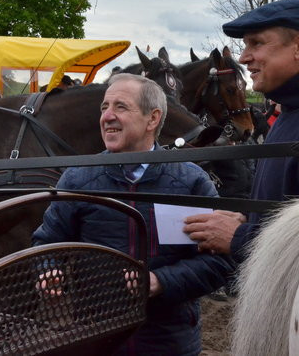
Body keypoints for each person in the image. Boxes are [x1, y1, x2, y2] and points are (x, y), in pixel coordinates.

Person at [32, 73, 233, 355]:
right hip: (98, 339)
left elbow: (219, 263)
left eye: (120, 107)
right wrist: (47, 269)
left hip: (168, 343)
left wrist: (161, 281)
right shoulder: (77, 179)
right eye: (104, 108)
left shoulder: (190, 183)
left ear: (152, 119)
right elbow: (46, 244)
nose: (107, 116)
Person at [185, 0, 299, 263]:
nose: (243, 58)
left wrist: (240, 238)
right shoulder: (289, 114)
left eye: (256, 43)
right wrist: (250, 217)